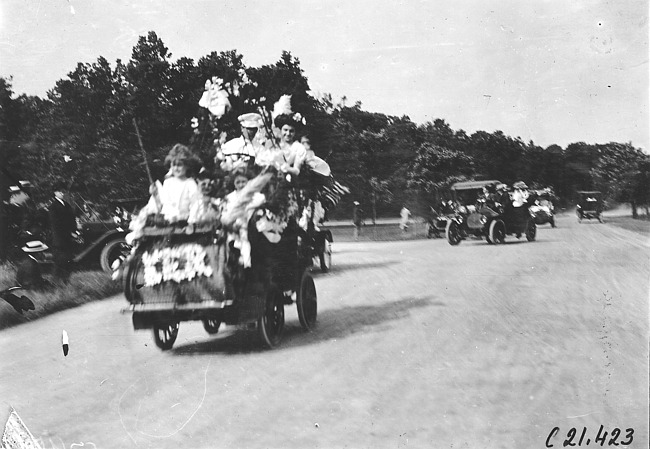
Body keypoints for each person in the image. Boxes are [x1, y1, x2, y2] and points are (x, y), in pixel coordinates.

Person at [126, 144, 202, 243]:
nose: (176, 168)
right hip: (165, 218)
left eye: (180, 165)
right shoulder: (168, 182)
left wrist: (191, 222)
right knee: (147, 217)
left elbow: (196, 204)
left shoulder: (190, 183)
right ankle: (138, 237)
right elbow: (162, 203)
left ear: (187, 166)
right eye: (173, 165)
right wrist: (155, 195)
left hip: (183, 219)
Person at [48, 186, 77, 282]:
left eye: (63, 191)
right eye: (60, 191)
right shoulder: (53, 207)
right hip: (59, 238)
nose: (62, 193)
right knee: (59, 261)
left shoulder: (66, 205)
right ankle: (56, 281)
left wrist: (74, 230)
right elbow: (56, 224)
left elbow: (72, 219)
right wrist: (70, 233)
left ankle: (65, 280)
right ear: (55, 193)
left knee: (67, 260)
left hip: (67, 237)